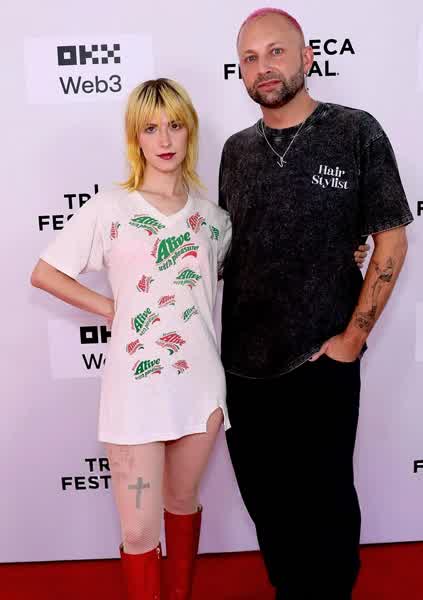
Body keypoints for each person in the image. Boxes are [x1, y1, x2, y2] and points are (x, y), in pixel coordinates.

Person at [218, 8, 413, 600]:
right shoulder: (235, 151)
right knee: (268, 508)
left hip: (322, 360)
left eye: (276, 52)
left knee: (327, 512)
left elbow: (391, 241)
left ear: (306, 57)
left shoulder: (355, 131)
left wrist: (352, 340)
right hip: (243, 369)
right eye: (250, 58)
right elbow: (231, 250)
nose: (263, 67)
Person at [31, 78, 233, 600]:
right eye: (150, 128)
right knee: (140, 531)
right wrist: (112, 308)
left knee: (182, 505)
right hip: (135, 393)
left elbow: (242, 280)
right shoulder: (110, 208)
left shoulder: (215, 221)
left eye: (175, 125)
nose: (164, 139)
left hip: (200, 389)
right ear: (135, 137)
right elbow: (45, 272)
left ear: (189, 132)